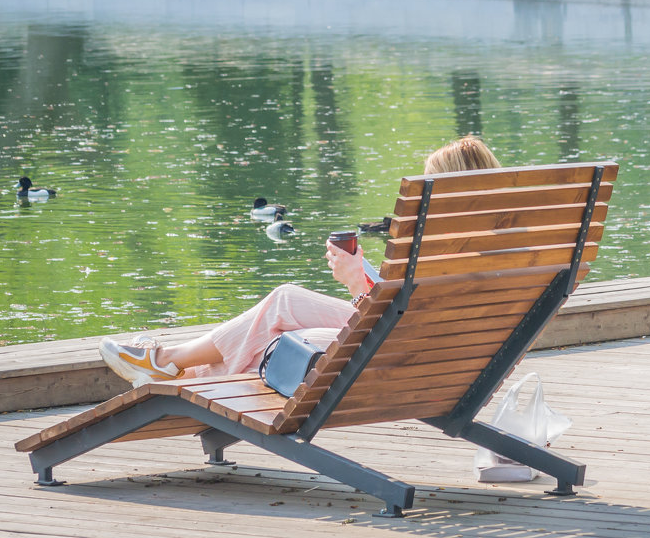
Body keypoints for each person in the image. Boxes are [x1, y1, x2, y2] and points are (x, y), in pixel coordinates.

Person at [99, 136, 502, 385]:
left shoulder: (446, 241)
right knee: (282, 312)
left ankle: (168, 365)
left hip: (400, 353)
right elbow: (418, 309)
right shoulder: (506, 239)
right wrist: (368, 279)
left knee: (278, 332)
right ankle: (169, 366)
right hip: (449, 355)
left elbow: (396, 321)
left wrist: (356, 283)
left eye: (429, 182)